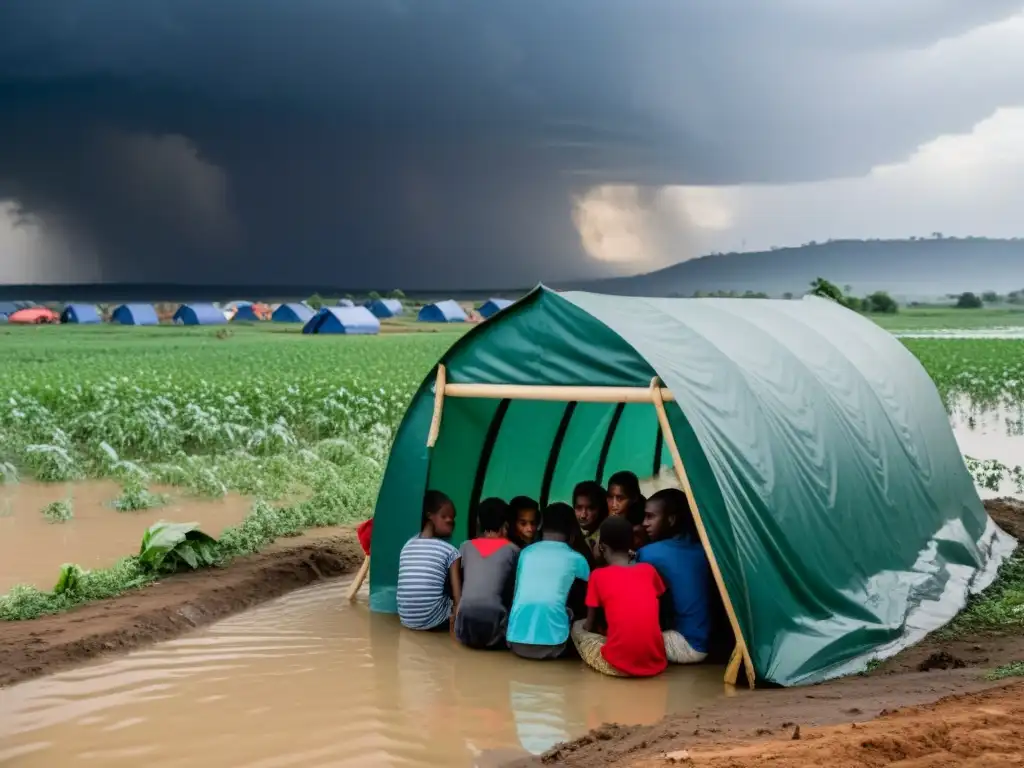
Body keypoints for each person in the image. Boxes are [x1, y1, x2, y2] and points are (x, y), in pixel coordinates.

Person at [571, 515, 667, 677]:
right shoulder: (648, 570)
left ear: (602, 547)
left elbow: (589, 624)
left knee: (577, 628)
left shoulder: (597, 576)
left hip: (617, 666)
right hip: (655, 663)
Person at [506, 502, 591, 659]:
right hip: (556, 645)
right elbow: (589, 601)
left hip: (515, 640)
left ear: (541, 526)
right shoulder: (577, 559)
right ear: (571, 527)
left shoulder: (525, 553)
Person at [636, 488, 711, 664]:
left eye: (650, 517)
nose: (644, 523)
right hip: (705, 643)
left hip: (683, 644)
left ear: (671, 519)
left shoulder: (649, 553)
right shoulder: (703, 550)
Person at [455, 497, 520, 649]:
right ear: (506, 525)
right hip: (495, 629)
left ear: (479, 523)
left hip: (464, 629)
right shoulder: (513, 550)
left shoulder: (465, 546)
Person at [397, 490, 462, 631]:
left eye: (453, 517)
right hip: (435, 621)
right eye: (445, 516)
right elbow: (458, 598)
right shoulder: (450, 551)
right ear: (429, 517)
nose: (451, 521)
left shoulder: (407, 546)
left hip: (406, 619)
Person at [607, 471, 648, 551]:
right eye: (610, 497)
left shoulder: (638, 532)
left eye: (620, 498)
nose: (614, 505)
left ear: (634, 498)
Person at [573, 480, 608, 552]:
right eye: (579, 508)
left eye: (590, 508)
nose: (583, 515)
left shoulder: (604, 541)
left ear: (601, 509)